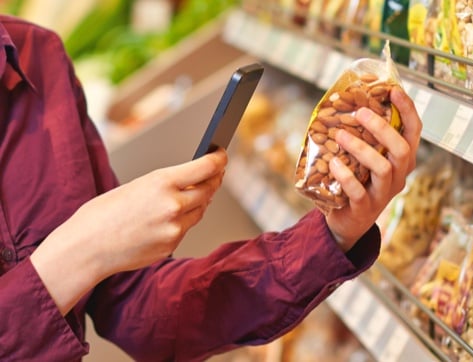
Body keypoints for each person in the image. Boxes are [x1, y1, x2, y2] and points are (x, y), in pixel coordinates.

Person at [0, 14, 422, 361]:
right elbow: (85, 256)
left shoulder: (41, 58)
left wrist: (335, 234)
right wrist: (79, 252)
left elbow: (142, 311)